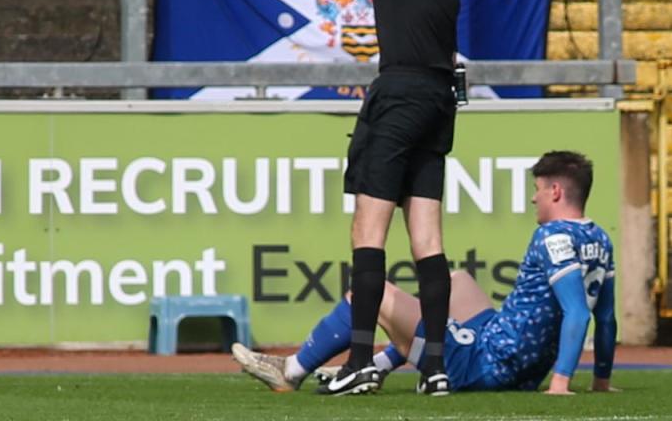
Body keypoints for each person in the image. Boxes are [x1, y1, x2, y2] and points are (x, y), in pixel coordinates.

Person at [255, 0, 461, 395]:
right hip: (438, 96)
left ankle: (359, 360)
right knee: (427, 238)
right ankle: (437, 365)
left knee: (367, 231)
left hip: (401, 92)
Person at [232, 151, 618, 396]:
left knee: (370, 295)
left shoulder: (552, 236)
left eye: (537, 189)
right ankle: (379, 366)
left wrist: (562, 382)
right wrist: (600, 380)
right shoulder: (598, 237)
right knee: (459, 282)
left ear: (554, 192)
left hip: (487, 364)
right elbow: (606, 317)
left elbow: (579, 314)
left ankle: (292, 371)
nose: (533, 198)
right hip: (518, 362)